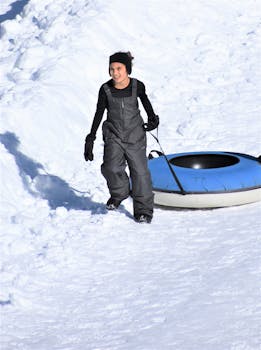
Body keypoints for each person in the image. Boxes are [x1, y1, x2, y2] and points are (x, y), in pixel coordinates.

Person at [84, 51, 159, 223]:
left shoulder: (137, 86)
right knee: (110, 167)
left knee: (139, 173)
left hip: (135, 135)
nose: (115, 73)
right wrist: (91, 137)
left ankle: (143, 210)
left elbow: (146, 103)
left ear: (127, 69)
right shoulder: (105, 89)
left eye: (119, 68)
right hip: (114, 135)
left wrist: (152, 119)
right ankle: (120, 193)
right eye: (112, 69)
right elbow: (99, 112)